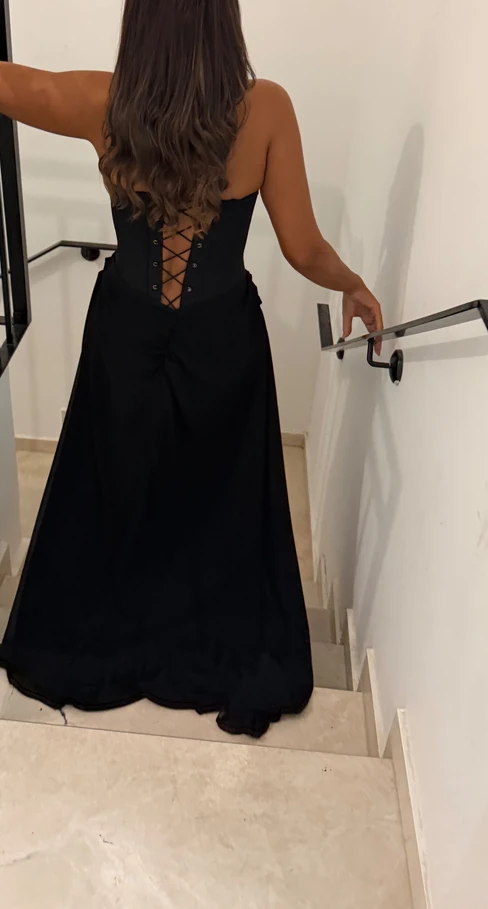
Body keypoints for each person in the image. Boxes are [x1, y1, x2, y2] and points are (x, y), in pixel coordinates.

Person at [0, 0, 383, 738]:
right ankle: (198, 620)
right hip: (220, 337)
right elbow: (302, 247)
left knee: (119, 475)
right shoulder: (266, 109)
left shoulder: (102, 103)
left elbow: (13, 84)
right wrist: (353, 284)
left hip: (125, 331)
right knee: (215, 490)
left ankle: (123, 615)